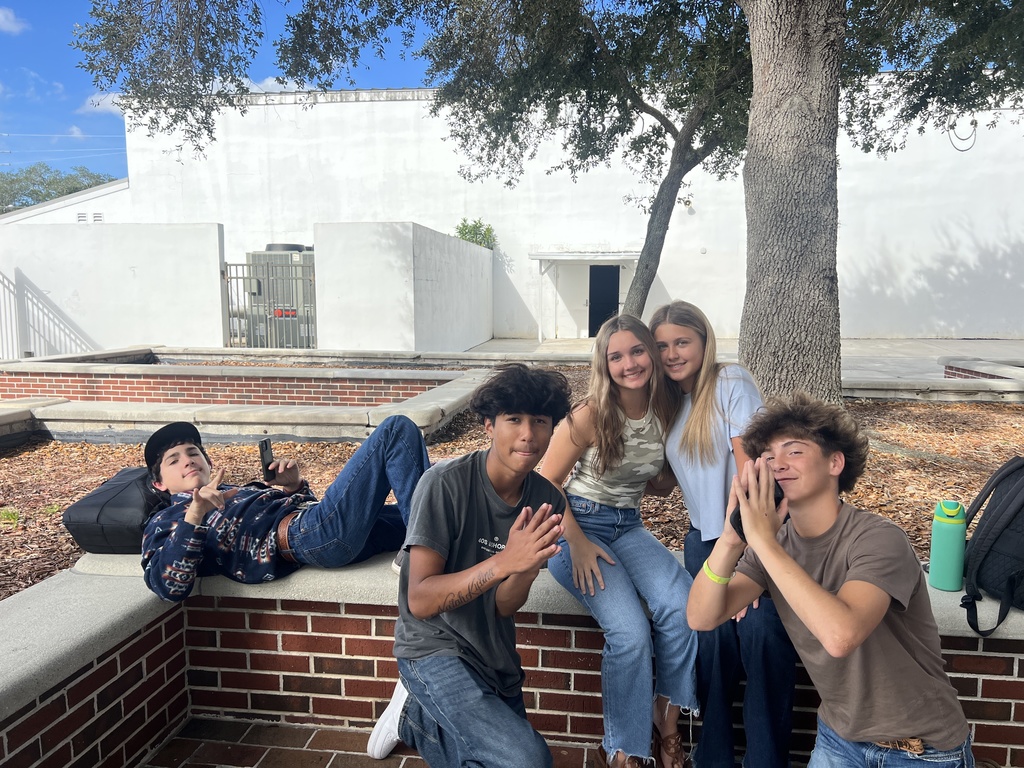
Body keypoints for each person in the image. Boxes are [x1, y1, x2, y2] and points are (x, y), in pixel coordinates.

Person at [688, 393, 974, 767]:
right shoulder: (772, 547)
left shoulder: (878, 538)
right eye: (769, 457)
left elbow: (841, 636)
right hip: (839, 741)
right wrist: (731, 540)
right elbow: (701, 617)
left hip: (921, 751)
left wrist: (761, 541)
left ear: (835, 462)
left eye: (793, 451)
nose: (777, 465)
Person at [367, 363, 572, 767]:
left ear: (553, 429)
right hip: (432, 647)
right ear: (488, 426)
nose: (528, 433)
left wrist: (525, 568)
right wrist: (504, 561)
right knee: (528, 760)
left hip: (493, 655)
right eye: (513, 419)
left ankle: (414, 720)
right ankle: (416, 697)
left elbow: (504, 606)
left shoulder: (548, 501)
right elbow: (421, 601)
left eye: (540, 421)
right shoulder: (444, 484)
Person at [540, 314, 698, 768]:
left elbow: (660, 484)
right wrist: (579, 543)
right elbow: (547, 482)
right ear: (604, 364)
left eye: (636, 351)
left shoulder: (667, 407)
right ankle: (625, 751)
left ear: (650, 351)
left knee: (683, 607)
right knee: (629, 633)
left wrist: (669, 471)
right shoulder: (590, 413)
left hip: (627, 526)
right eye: (616, 356)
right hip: (576, 527)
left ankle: (666, 726)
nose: (629, 363)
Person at [649, 301, 796, 768]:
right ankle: (713, 758)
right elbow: (672, 478)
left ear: (704, 340)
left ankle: (765, 761)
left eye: (682, 342)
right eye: (662, 346)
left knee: (758, 639)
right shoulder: (672, 402)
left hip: (749, 537)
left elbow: (750, 469)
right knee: (710, 651)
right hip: (701, 542)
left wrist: (749, 552)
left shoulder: (731, 382)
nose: (672, 354)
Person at [141, 414, 430, 601]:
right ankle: (423, 553)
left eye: (193, 453)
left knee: (433, 510)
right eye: (174, 460)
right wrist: (195, 514)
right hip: (306, 537)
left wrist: (293, 486)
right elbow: (168, 588)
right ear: (159, 484)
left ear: (208, 462)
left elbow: (308, 515)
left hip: (321, 528)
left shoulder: (234, 492)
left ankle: (433, 545)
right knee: (395, 430)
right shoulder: (167, 519)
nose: (188, 460)